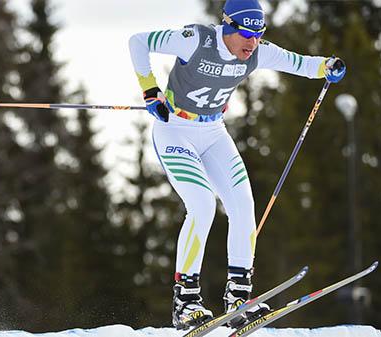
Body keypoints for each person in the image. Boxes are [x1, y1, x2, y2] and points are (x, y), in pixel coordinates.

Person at [128, 0, 346, 330]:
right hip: (175, 129)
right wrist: (150, 91)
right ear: (228, 27)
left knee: (243, 204)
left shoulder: (257, 52)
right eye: (246, 33)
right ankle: (186, 300)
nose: (252, 42)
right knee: (202, 205)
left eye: (259, 34)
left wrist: (328, 66)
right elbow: (138, 42)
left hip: (214, 132)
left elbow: (300, 63)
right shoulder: (195, 40)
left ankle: (239, 298)